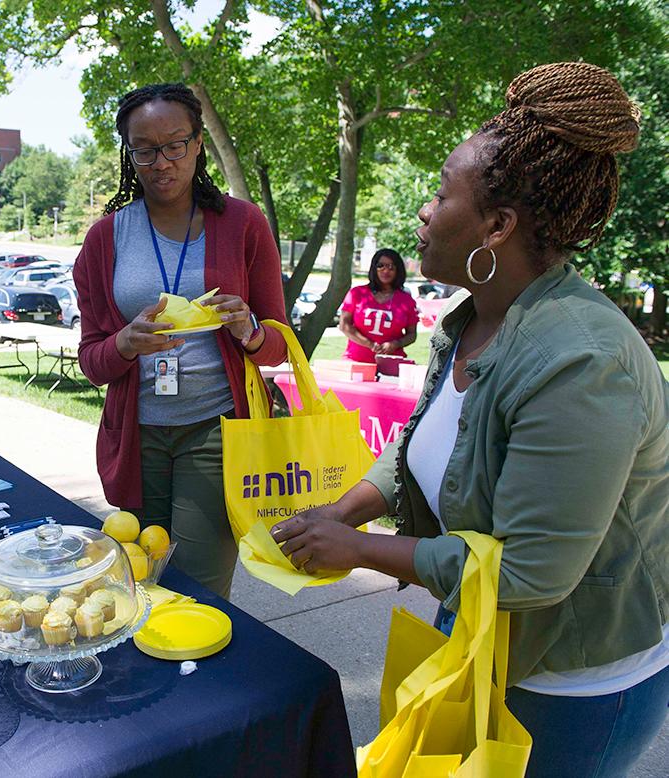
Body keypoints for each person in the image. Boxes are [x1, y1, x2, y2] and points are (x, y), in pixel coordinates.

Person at [270, 62, 668, 777]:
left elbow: (528, 572)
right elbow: (423, 445)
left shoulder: (581, 361)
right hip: (482, 639)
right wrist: (342, 512)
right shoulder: (470, 322)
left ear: (498, 226)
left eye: (441, 194)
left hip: (566, 681)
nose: (423, 212)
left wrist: (357, 551)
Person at [74, 82, 288, 599]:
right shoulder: (107, 237)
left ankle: (202, 674)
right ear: (129, 154)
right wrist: (125, 342)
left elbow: (279, 346)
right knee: (138, 576)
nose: (161, 162)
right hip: (137, 432)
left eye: (174, 145)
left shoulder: (242, 223)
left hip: (216, 430)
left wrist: (248, 331)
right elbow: (92, 360)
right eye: (144, 149)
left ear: (197, 145)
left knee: (199, 587)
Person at [338, 248, 419, 363]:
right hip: (356, 360)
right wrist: (370, 344)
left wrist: (396, 344)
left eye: (391, 267)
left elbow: (412, 334)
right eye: (381, 266)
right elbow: (344, 325)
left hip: (391, 363)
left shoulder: (406, 300)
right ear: (374, 268)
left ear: (398, 270)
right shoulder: (357, 293)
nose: (386, 271)